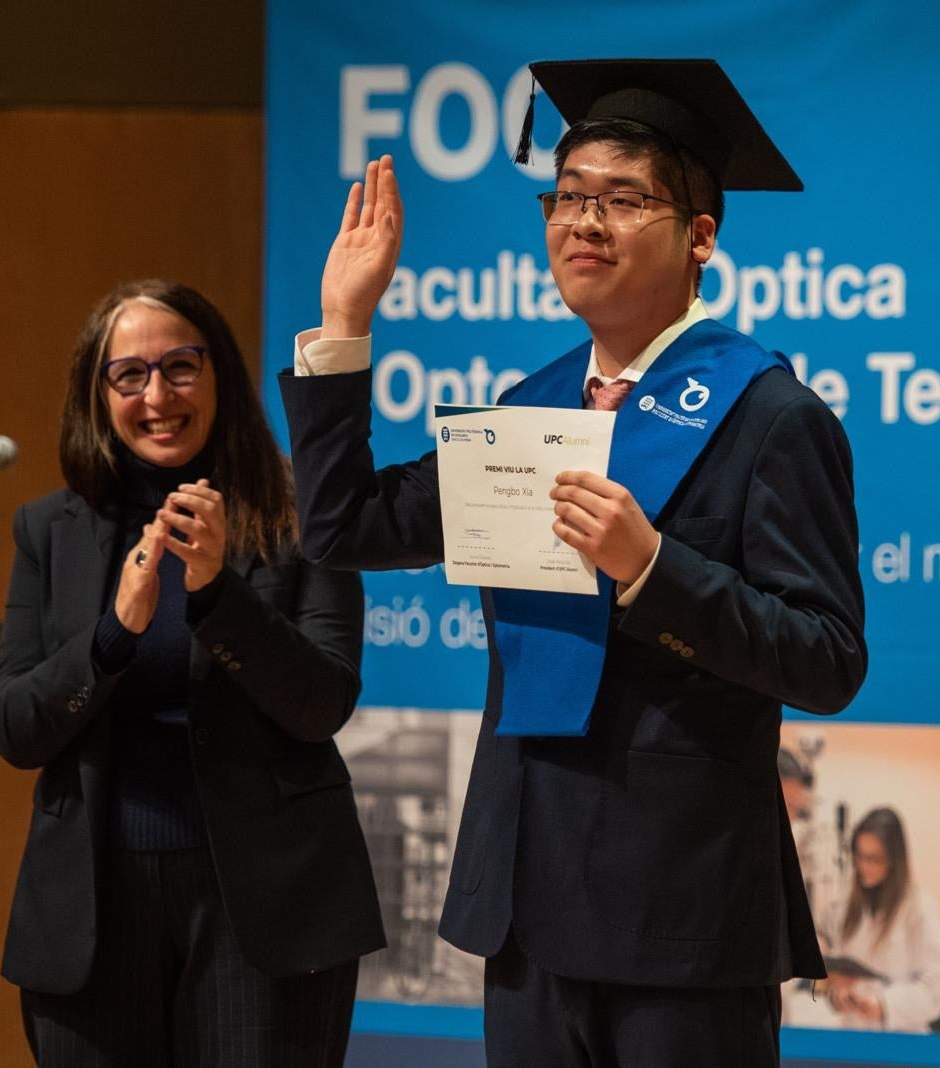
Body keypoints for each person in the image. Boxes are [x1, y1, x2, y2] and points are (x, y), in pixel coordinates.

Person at [279, 58, 866, 1064]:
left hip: (681, 912)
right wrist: (345, 327)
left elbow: (824, 657)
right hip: (527, 904)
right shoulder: (529, 408)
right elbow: (343, 528)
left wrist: (652, 570)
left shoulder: (771, 417)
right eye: (569, 197)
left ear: (700, 237)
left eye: (621, 199)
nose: (583, 221)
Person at [0, 280, 384, 1066]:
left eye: (180, 366)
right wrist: (112, 636)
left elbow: (323, 701)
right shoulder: (49, 530)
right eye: (127, 375)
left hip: (265, 909)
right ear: (97, 396)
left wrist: (217, 597)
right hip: (94, 912)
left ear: (220, 376)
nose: (156, 395)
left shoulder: (301, 514)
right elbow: (15, 727)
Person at [821, 807, 940, 1033]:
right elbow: (829, 980)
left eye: (873, 858)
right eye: (859, 856)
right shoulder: (844, 909)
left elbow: (935, 990)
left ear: (894, 860)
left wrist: (884, 1004)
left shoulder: (920, 908)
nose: (863, 866)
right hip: (853, 1038)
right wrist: (837, 995)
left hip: (901, 1042)